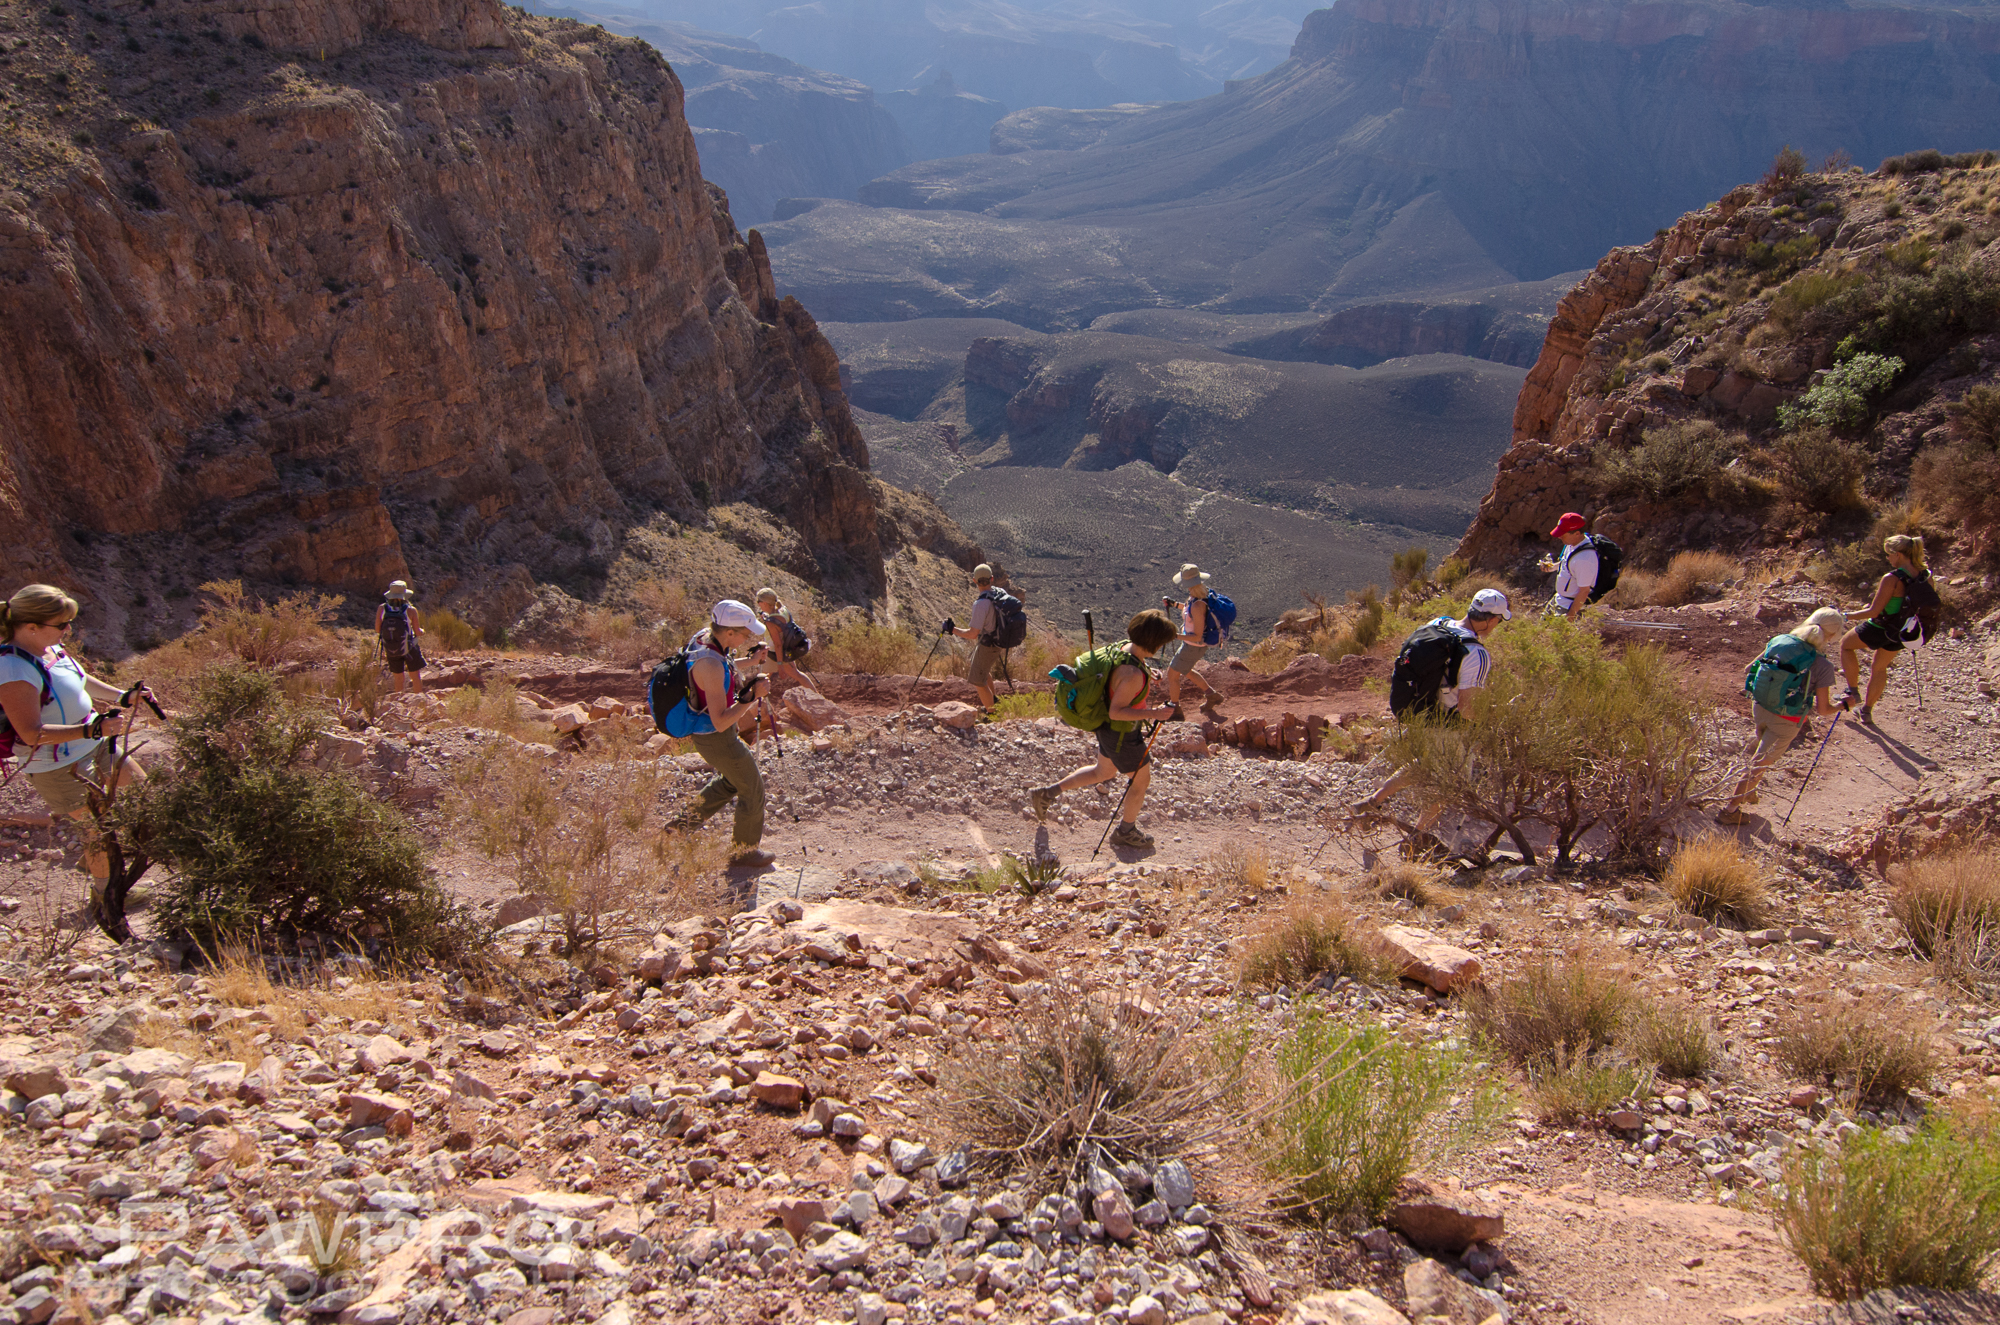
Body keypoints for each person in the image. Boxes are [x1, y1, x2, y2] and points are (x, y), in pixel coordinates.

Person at [0, 585, 151, 903]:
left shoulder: (51, 648)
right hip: (57, 767)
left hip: (93, 745)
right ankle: (106, 896)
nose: (69, 630)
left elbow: (80, 679)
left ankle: (96, 863)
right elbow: (31, 733)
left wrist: (124, 696)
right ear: (31, 627)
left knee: (143, 791)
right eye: (62, 624)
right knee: (96, 833)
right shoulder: (12, 669)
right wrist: (93, 730)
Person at [1028, 609, 1179, 850]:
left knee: (1102, 772)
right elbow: (1117, 711)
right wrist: (1155, 713)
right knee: (1141, 781)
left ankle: (1046, 793)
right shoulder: (1132, 676)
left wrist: (1150, 675)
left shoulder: (1124, 648)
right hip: (1122, 734)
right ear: (1154, 642)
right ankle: (1126, 831)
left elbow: (1120, 675)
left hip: (1108, 730)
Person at [1351, 588, 1512, 813]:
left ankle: (1373, 802)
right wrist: (1489, 716)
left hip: (1417, 708)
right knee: (1450, 781)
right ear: (1492, 619)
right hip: (1447, 723)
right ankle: (1419, 835)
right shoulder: (1476, 654)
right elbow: (1467, 710)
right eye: (1499, 621)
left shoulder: (1439, 623)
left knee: (1425, 764)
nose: (1497, 626)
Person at [669, 601, 776, 868]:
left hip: (709, 735)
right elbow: (719, 721)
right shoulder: (710, 665)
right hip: (717, 737)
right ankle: (744, 853)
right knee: (752, 788)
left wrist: (750, 662)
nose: (747, 638)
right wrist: (752, 697)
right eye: (745, 634)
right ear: (729, 632)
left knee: (731, 782)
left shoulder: (704, 639)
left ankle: (677, 830)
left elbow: (723, 665)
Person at [1720, 607, 1850, 825]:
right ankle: (1729, 810)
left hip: (1760, 707)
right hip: (1787, 721)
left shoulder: (1779, 641)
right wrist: (1844, 704)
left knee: (1761, 754)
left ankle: (1748, 792)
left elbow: (1748, 668)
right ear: (1831, 636)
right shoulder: (1823, 665)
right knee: (1759, 763)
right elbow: (1825, 710)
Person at [1839, 534, 1933, 725]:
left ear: (1898, 554)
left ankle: (1853, 692)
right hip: (1903, 631)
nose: (1888, 558)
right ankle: (1866, 711)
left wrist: (1846, 615)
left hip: (1880, 627)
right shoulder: (1926, 577)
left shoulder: (1892, 578)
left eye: (1889, 554)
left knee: (1846, 645)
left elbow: (1874, 611)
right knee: (1879, 667)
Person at [1161, 563, 1224, 718]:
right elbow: (1190, 611)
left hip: (1193, 646)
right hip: (1192, 645)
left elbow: (1197, 635)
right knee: (1185, 670)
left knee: (1172, 675)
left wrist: (1173, 635)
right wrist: (1174, 604)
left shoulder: (1197, 604)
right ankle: (1212, 695)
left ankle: (1175, 709)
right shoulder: (1200, 595)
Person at [946, 563, 1004, 712]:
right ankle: (994, 700)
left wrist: (952, 630)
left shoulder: (981, 604)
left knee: (978, 680)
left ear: (974, 581)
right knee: (982, 670)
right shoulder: (999, 593)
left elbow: (972, 634)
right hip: (999, 641)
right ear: (991, 579)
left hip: (988, 644)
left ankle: (992, 714)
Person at [753, 589, 819, 692]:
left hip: (775, 653)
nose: (758, 604)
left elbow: (778, 644)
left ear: (765, 603)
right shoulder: (783, 610)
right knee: (797, 675)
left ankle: (759, 704)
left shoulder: (771, 622)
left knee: (762, 678)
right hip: (786, 650)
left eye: (759, 602)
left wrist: (780, 665)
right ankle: (818, 697)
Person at [1541, 513, 1597, 622]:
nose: (1560, 536)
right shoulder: (1571, 544)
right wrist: (1551, 567)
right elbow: (1567, 564)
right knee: (1541, 632)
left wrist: (1571, 615)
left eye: (1563, 534)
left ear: (1577, 533)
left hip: (1567, 606)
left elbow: (1584, 590)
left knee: (1554, 636)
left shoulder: (1584, 559)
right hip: (1558, 599)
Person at [375, 581, 426, 694]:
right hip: (410, 648)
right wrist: (422, 631)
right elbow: (417, 632)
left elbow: (378, 630)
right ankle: (419, 702)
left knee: (398, 678)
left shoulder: (382, 608)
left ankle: (399, 704)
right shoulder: (411, 610)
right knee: (415, 677)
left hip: (391, 647)